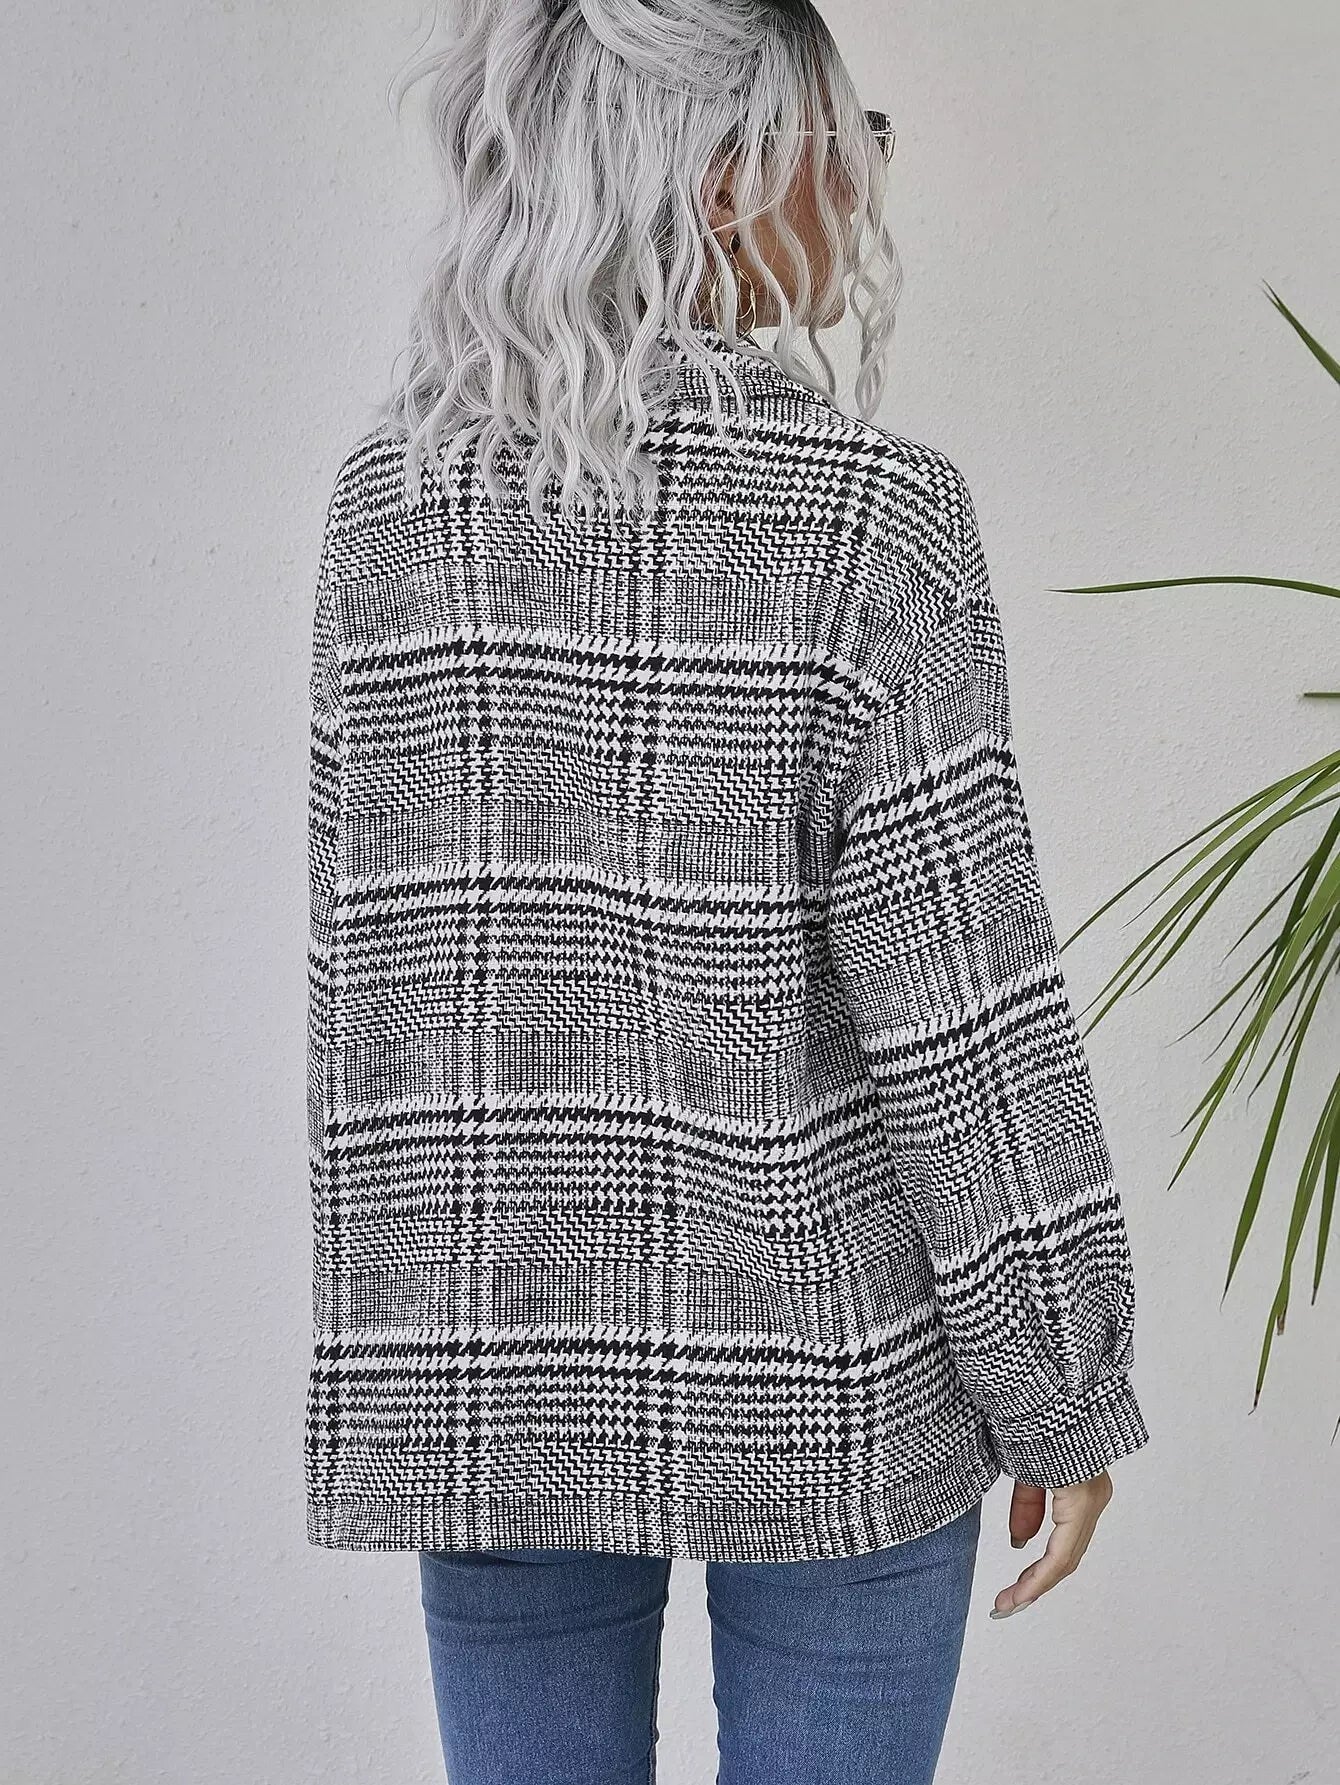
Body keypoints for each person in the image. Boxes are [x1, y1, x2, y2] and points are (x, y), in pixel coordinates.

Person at [302, 2, 1149, 1780]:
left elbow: (366, 989)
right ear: (727, 180)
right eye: (853, 139)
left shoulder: (392, 505)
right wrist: (1062, 1382)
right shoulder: (869, 519)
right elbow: (965, 1020)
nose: (865, 182)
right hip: (832, 1374)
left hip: (495, 1375)